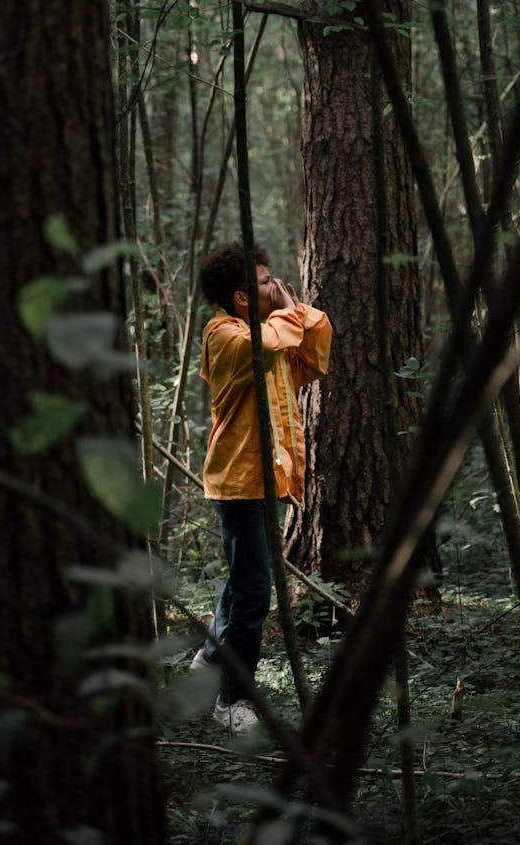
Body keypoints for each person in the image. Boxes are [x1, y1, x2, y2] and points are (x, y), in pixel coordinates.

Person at [191, 242, 332, 733]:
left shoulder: (266, 338)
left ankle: (210, 658)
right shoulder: (225, 335)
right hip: (238, 481)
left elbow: (309, 360)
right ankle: (232, 700)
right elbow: (273, 341)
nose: (278, 286)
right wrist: (293, 313)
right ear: (243, 297)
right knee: (254, 593)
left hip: (265, 479)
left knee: (245, 579)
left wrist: (295, 314)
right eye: (267, 281)